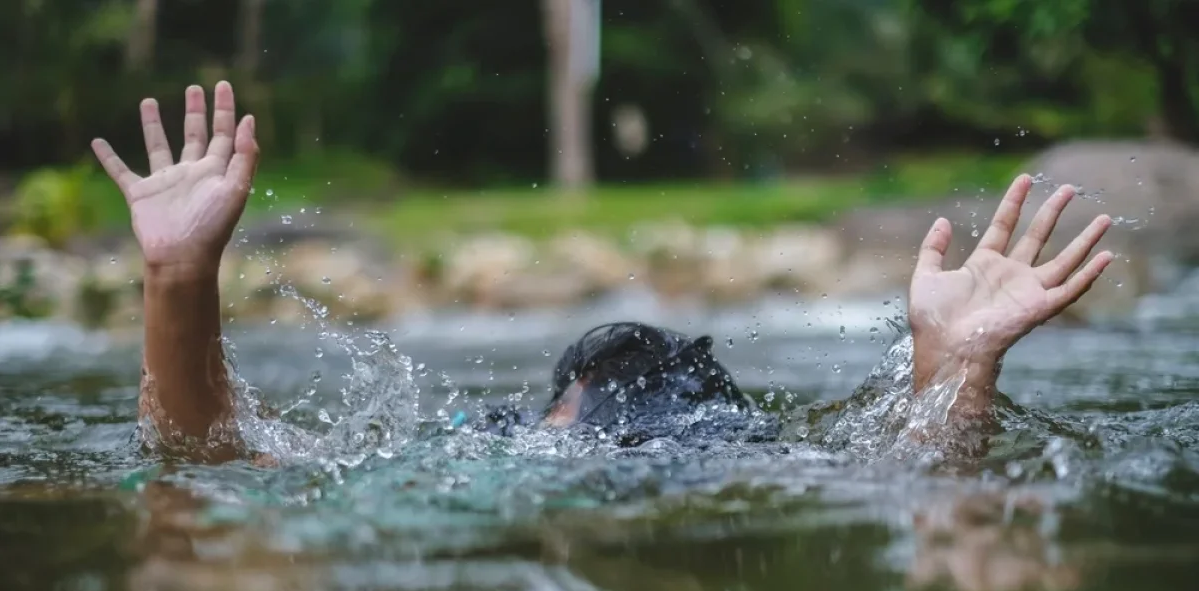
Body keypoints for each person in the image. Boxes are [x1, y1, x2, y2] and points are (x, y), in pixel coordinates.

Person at [92, 83, 1115, 463]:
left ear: (560, 406)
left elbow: (208, 461)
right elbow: (922, 482)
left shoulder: (476, 446)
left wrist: (179, 284)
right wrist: (953, 370)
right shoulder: (741, 452)